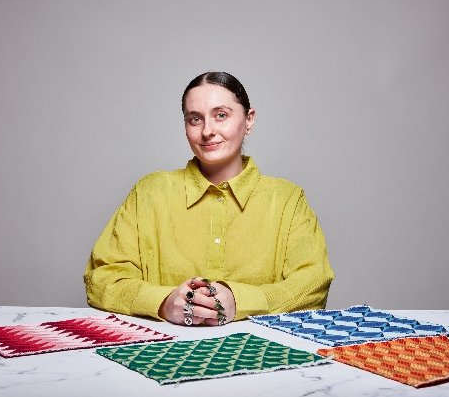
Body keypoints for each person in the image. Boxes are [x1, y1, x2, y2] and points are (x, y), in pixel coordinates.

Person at [84, 72, 334, 326]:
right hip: (163, 355)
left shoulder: (287, 200)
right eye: (195, 119)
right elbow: (102, 278)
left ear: (249, 120)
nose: (207, 131)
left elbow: (313, 283)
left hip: (261, 355)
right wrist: (163, 302)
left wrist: (240, 301)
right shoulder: (149, 192)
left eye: (221, 115)